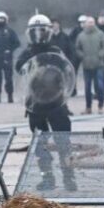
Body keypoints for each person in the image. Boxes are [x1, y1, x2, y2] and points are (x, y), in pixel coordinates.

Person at [14, 14, 77, 192]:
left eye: (42, 31)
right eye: (35, 32)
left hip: (56, 102)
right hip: (35, 103)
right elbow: (19, 68)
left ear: (49, 32)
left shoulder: (56, 51)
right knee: (40, 144)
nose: (38, 35)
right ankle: (47, 177)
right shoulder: (27, 53)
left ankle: (68, 177)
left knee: (64, 142)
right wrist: (32, 58)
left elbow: (67, 69)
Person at [75, 17, 104, 114]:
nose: (91, 24)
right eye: (89, 22)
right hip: (86, 66)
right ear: (85, 24)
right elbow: (77, 48)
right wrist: (82, 56)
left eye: (92, 22)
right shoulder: (81, 35)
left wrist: (100, 55)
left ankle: (100, 106)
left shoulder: (100, 34)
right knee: (87, 88)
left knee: (100, 86)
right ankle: (88, 107)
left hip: (99, 65)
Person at [0, 11, 21, 103]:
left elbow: (17, 43)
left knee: (8, 78)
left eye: (3, 18)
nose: (1, 20)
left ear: (6, 20)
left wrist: (10, 49)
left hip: (7, 58)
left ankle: (10, 96)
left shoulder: (10, 31)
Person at [68, 15, 87, 97]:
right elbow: (70, 40)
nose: (82, 24)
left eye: (84, 22)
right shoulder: (75, 30)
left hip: (86, 54)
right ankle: (73, 90)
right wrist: (74, 49)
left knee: (88, 72)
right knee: (73, 71)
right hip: (76, 54)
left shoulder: (88, 30)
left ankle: (88, 90)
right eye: (81, 23)